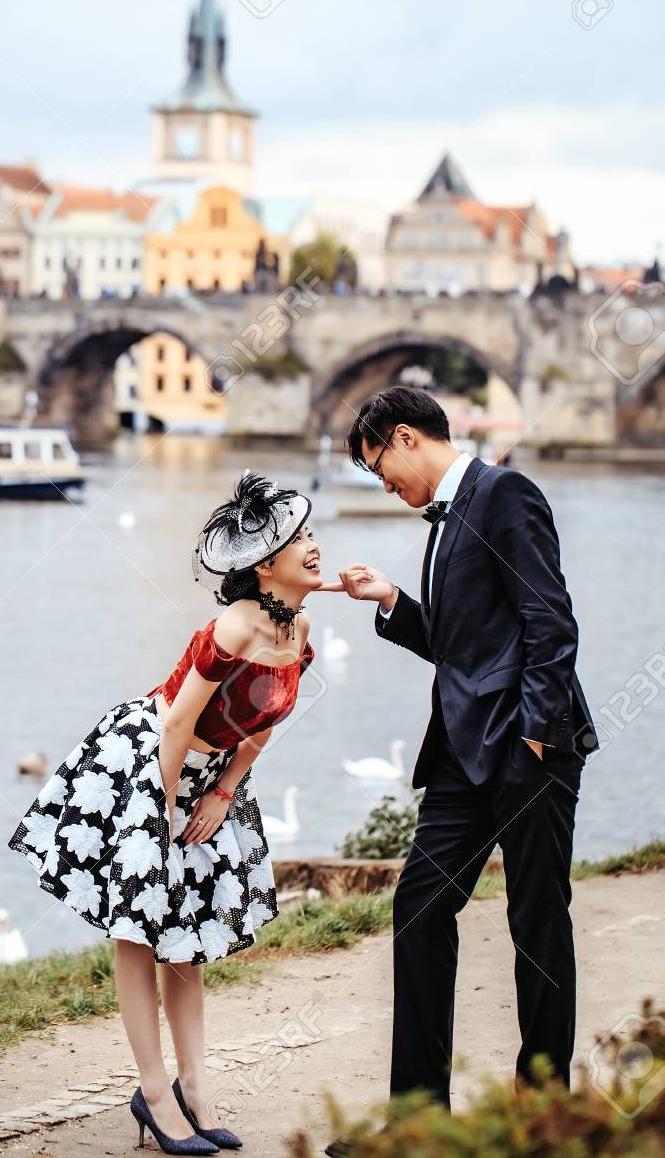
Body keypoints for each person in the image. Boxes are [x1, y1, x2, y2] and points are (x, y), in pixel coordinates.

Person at [8, 472, 324, 1155]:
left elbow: (266, 721)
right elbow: (177, 724)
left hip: (208, 776)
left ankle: (195, 1087)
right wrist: (162, 809)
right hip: (148, 761)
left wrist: (223, 793)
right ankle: (154, 1093)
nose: (314, 547)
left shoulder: (298, 626)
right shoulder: (235, 626)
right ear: (265, 564)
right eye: (301, 540)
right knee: (142, 928)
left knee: (188, 936)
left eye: (310, 535)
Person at [322, 386, 598, 1154]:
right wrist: (393, 603)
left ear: (405, 437)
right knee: (418, 910)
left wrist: (538, 737)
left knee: (536, 923)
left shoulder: (506, 494)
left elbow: (551, 620)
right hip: (460, 753)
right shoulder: (444, 517)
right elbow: (464, 641)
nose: (385, 485)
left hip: (526, 748)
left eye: (381, 468)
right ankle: (416, 1122)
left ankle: (544, 1111)